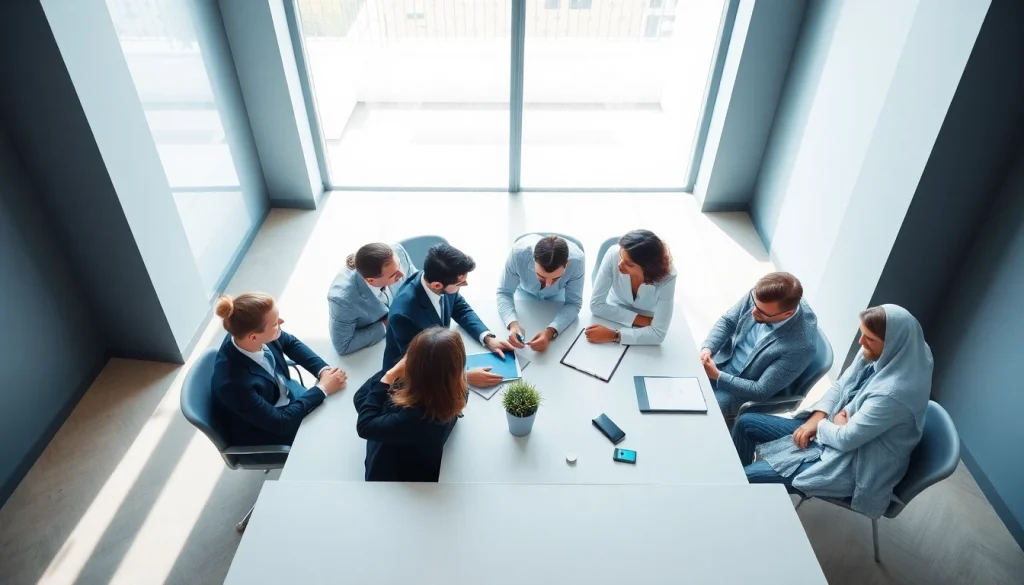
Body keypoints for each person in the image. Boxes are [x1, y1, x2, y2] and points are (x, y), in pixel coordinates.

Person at [731, 305, 933, 520]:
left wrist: (826, 425)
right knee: (746, 423)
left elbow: (846, 440)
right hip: (832, 430)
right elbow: (840, 386)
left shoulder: (893, 394)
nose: (861, 342)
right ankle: (749, 497)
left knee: (745, 478)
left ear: (893, 343)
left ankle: (741, 504)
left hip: (855, 463)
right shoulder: (891, 351)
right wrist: (816, 420)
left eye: (869, 338)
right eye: (862, 333)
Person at [211, 292, 348, 447]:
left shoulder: (245, 335)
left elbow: (290, 343)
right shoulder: (233, 384)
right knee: (332, 437)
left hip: (288, 396)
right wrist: (323, 388)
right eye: (275, 323)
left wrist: (323, 371)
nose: (281, 322)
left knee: (341, 413)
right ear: (253, 337)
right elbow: (280, 424)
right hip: (269, 429)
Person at [382, 243, 514, 388]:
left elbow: (459, 307)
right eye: (461, 283)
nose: (466, 284)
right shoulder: (404, 316)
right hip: (411, 380)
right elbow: (415, 365)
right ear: (437, 285)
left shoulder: (437, 279)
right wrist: (464, 377)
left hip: (439, 354)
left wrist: (487, 338)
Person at [354, 327, 467, 482]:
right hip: (423, 455)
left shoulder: (413, 416)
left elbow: (364, 421)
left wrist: (390, 374)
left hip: (391, 479)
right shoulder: (458, 390)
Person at [699, 272, 818, 417]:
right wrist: (708, 348)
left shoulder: (801, 346)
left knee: (701, 411)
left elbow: (760, 391)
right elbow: (728, 321)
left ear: (787, 314)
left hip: (742, 390)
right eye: (754, 304)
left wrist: (717, 376)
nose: (753, 311)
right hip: (721, 362)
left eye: (762, 312)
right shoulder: (761, 295)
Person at [497, 234, 585, 352]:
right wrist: (512, 324)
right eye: (541, 277)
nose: (548, 284)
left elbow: (574, 304)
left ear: (567, 264)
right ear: (534, 259)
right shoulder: (518, 254)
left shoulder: (577, 261)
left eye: (555, 278)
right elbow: (504, 292)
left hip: (556, 301)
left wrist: (550, 332)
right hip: (523, 297)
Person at [587, 229, 676, 345]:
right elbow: (596, 305)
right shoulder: (613, 254)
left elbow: (658, 334)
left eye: (629, 264)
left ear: (648, 268)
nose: (619, 265)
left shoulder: (667, 278)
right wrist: (643, 321)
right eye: (621, 257)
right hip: (615, 307)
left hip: (646, 312)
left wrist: (614, 335)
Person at [327, 242, 413, 355]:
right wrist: (387, 323)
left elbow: (414, 284)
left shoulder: (398, 252)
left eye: (399, 266)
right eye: (393, 275)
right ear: (370, 280)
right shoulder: (342, 301)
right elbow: (343, 345)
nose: (401, 275)